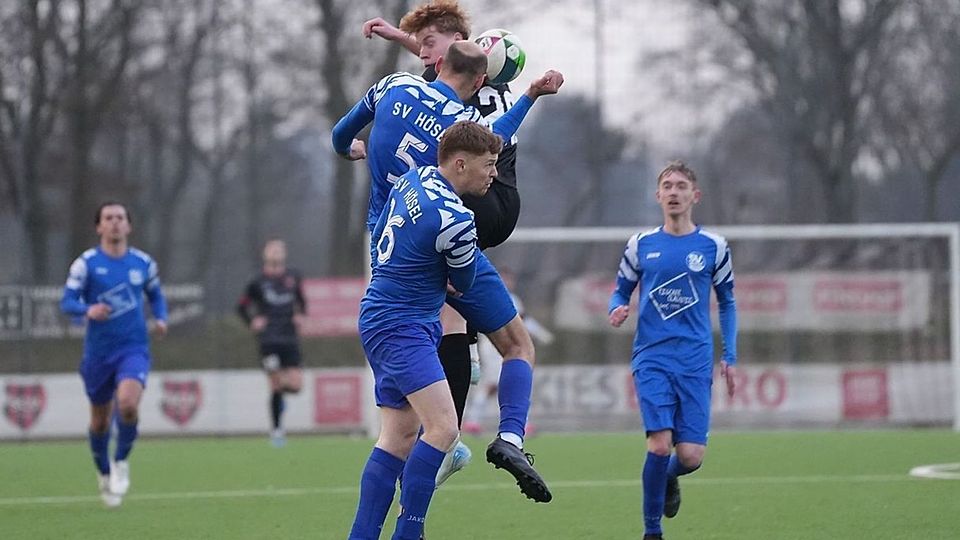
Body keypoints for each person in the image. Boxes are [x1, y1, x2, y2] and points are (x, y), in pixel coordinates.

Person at [332, 40, 560, 503]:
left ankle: (441, 442)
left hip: (390, 247)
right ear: (480, 82)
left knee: (398, 429)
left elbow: (341, 133)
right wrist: (530, 96)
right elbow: (494, 138)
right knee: (516, 344)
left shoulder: (392, 86)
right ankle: (506, 435)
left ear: (437, 64)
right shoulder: (462, 123)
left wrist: (349, 148)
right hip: (445, 238)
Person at [361, 1, 534, 476]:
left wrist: (533, 94)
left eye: (428, 44)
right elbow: (440, 56)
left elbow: (454, 67)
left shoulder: (460, 89)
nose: (421, 53)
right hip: (470, 203)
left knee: (447, 289)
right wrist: (400, 37)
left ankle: (451, 433)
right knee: (455, 312)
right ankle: (492, 425)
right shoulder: (445, 81)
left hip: (488, 197)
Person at [347, 121, 499, 539]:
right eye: (489, 164)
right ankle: (409, 533)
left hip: (381, 314)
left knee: (397, 438)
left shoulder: (414, 178)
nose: (494, 173)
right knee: (444, 429)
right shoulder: (457, 219)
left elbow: (382, 228)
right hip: (403, 325)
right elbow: (463, 285)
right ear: (461, 163)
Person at [607, 161, 739, 540]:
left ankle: (667, 478)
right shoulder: (641, 245)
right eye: (667, 186)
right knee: (660, 444)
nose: (674, 192)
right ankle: (653, 531)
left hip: (695, 360)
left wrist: (730, 355)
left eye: (681, 186)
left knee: (690, 457)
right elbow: (620, 290)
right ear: (658, 196)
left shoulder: (714, 247)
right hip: (652, 357)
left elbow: (728, 302)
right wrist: (618, 307)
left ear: (695, 195)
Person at [60, 202, 168, 508]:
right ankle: (104, 472)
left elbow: (156, 295)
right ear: (99, 227)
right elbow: (67, 302)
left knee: (128, 405)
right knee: (99, 422)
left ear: (129, 226)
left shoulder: (143, 263)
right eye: (108, 218)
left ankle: (120, 461)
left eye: (120, 218)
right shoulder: (86, 264)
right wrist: (87, 309)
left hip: (133, 348)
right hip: (98, 353)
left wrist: (161, 318)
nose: (115, 223)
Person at [462, 268, 554, 436]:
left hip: (512, 346)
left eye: (510, 280)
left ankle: (516, 422)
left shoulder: (514, 299)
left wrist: (542, 335)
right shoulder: (488, 294)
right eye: (504, 279)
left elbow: (523, 320)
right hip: (492, 346)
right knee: (496, 384)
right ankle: (476, 421)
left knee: (507, 382)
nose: (508, 283)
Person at [237, 239, 306, 447]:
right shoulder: (257, 282)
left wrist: (300, 315)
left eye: (279, 249)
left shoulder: (293, 278)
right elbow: (241, 306)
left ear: (284, 254)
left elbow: (302, 302)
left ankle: (279, 399)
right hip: (268, 340)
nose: (276, 252)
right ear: (265, 254)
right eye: (272, 249)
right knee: (275, 383)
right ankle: (277, 430)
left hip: (289, 338)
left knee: (296, 386)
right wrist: (252, 321)